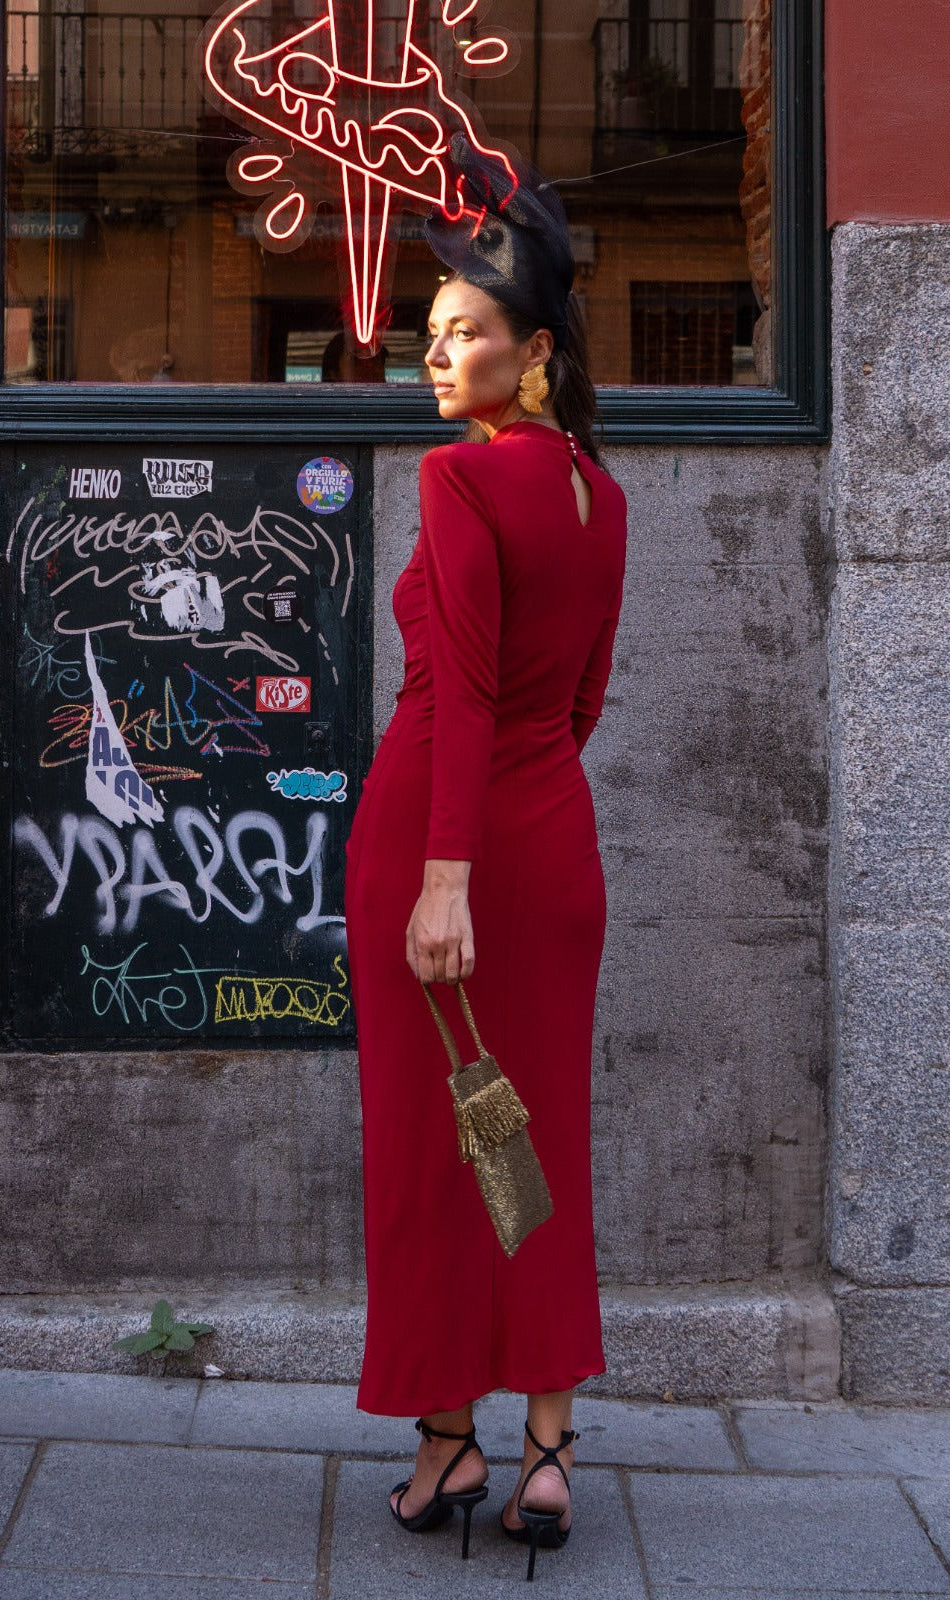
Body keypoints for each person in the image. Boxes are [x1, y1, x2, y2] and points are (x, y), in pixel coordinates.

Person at [343, 137, 628, 1580]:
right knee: (535, 1142)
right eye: (432, 332)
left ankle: (444, 1440)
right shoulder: (600, 494)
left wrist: (444, 876)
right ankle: (547, 1452)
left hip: (437, 843)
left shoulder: (462, 485)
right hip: (553, 841)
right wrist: (521, 811)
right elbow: (578, 704)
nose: (436, 355)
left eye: (464, 332)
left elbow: (457, 691)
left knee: (433, 1152)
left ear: (534, 352)